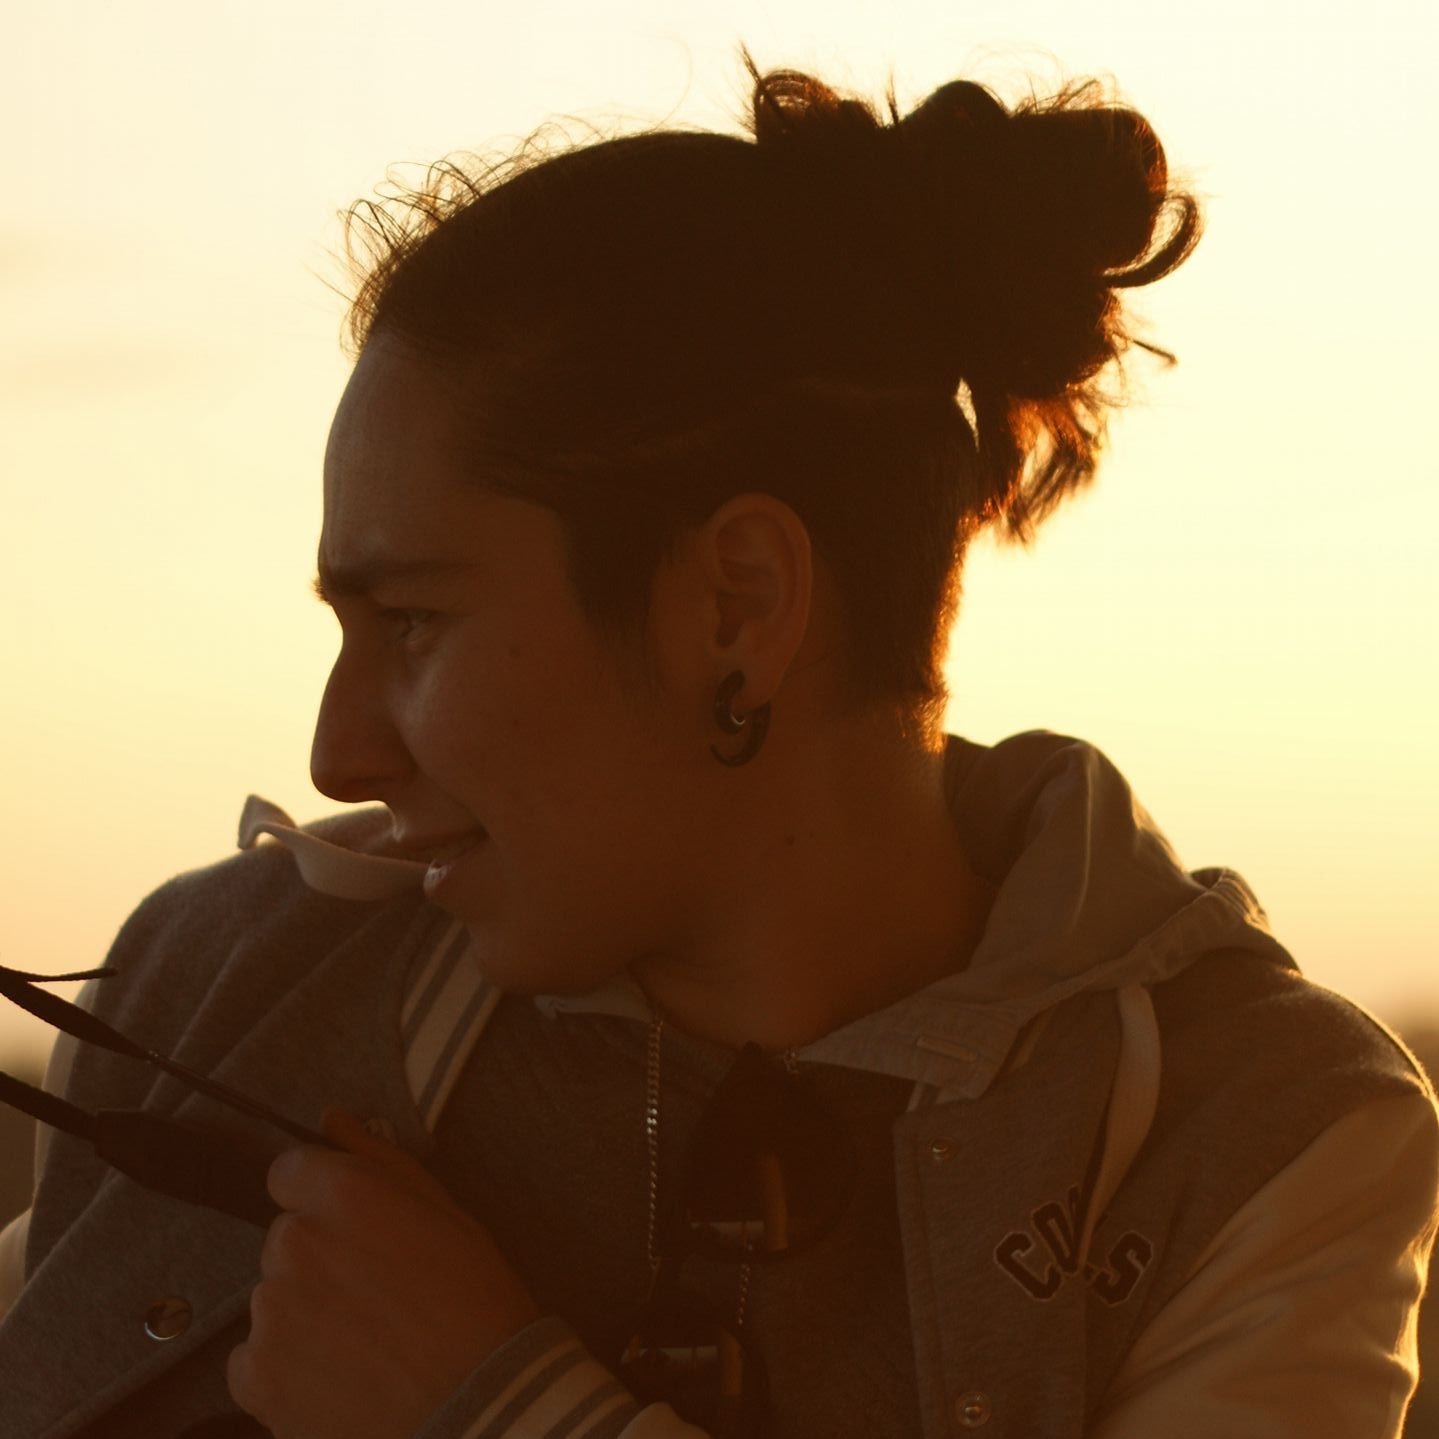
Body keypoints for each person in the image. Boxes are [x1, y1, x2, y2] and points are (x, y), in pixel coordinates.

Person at [0, 43, 1435, 1439]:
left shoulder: (1264, 1139)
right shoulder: (223, 984)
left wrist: (493, 1409)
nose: (340, 752)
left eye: (415, 623)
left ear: (735, 608)